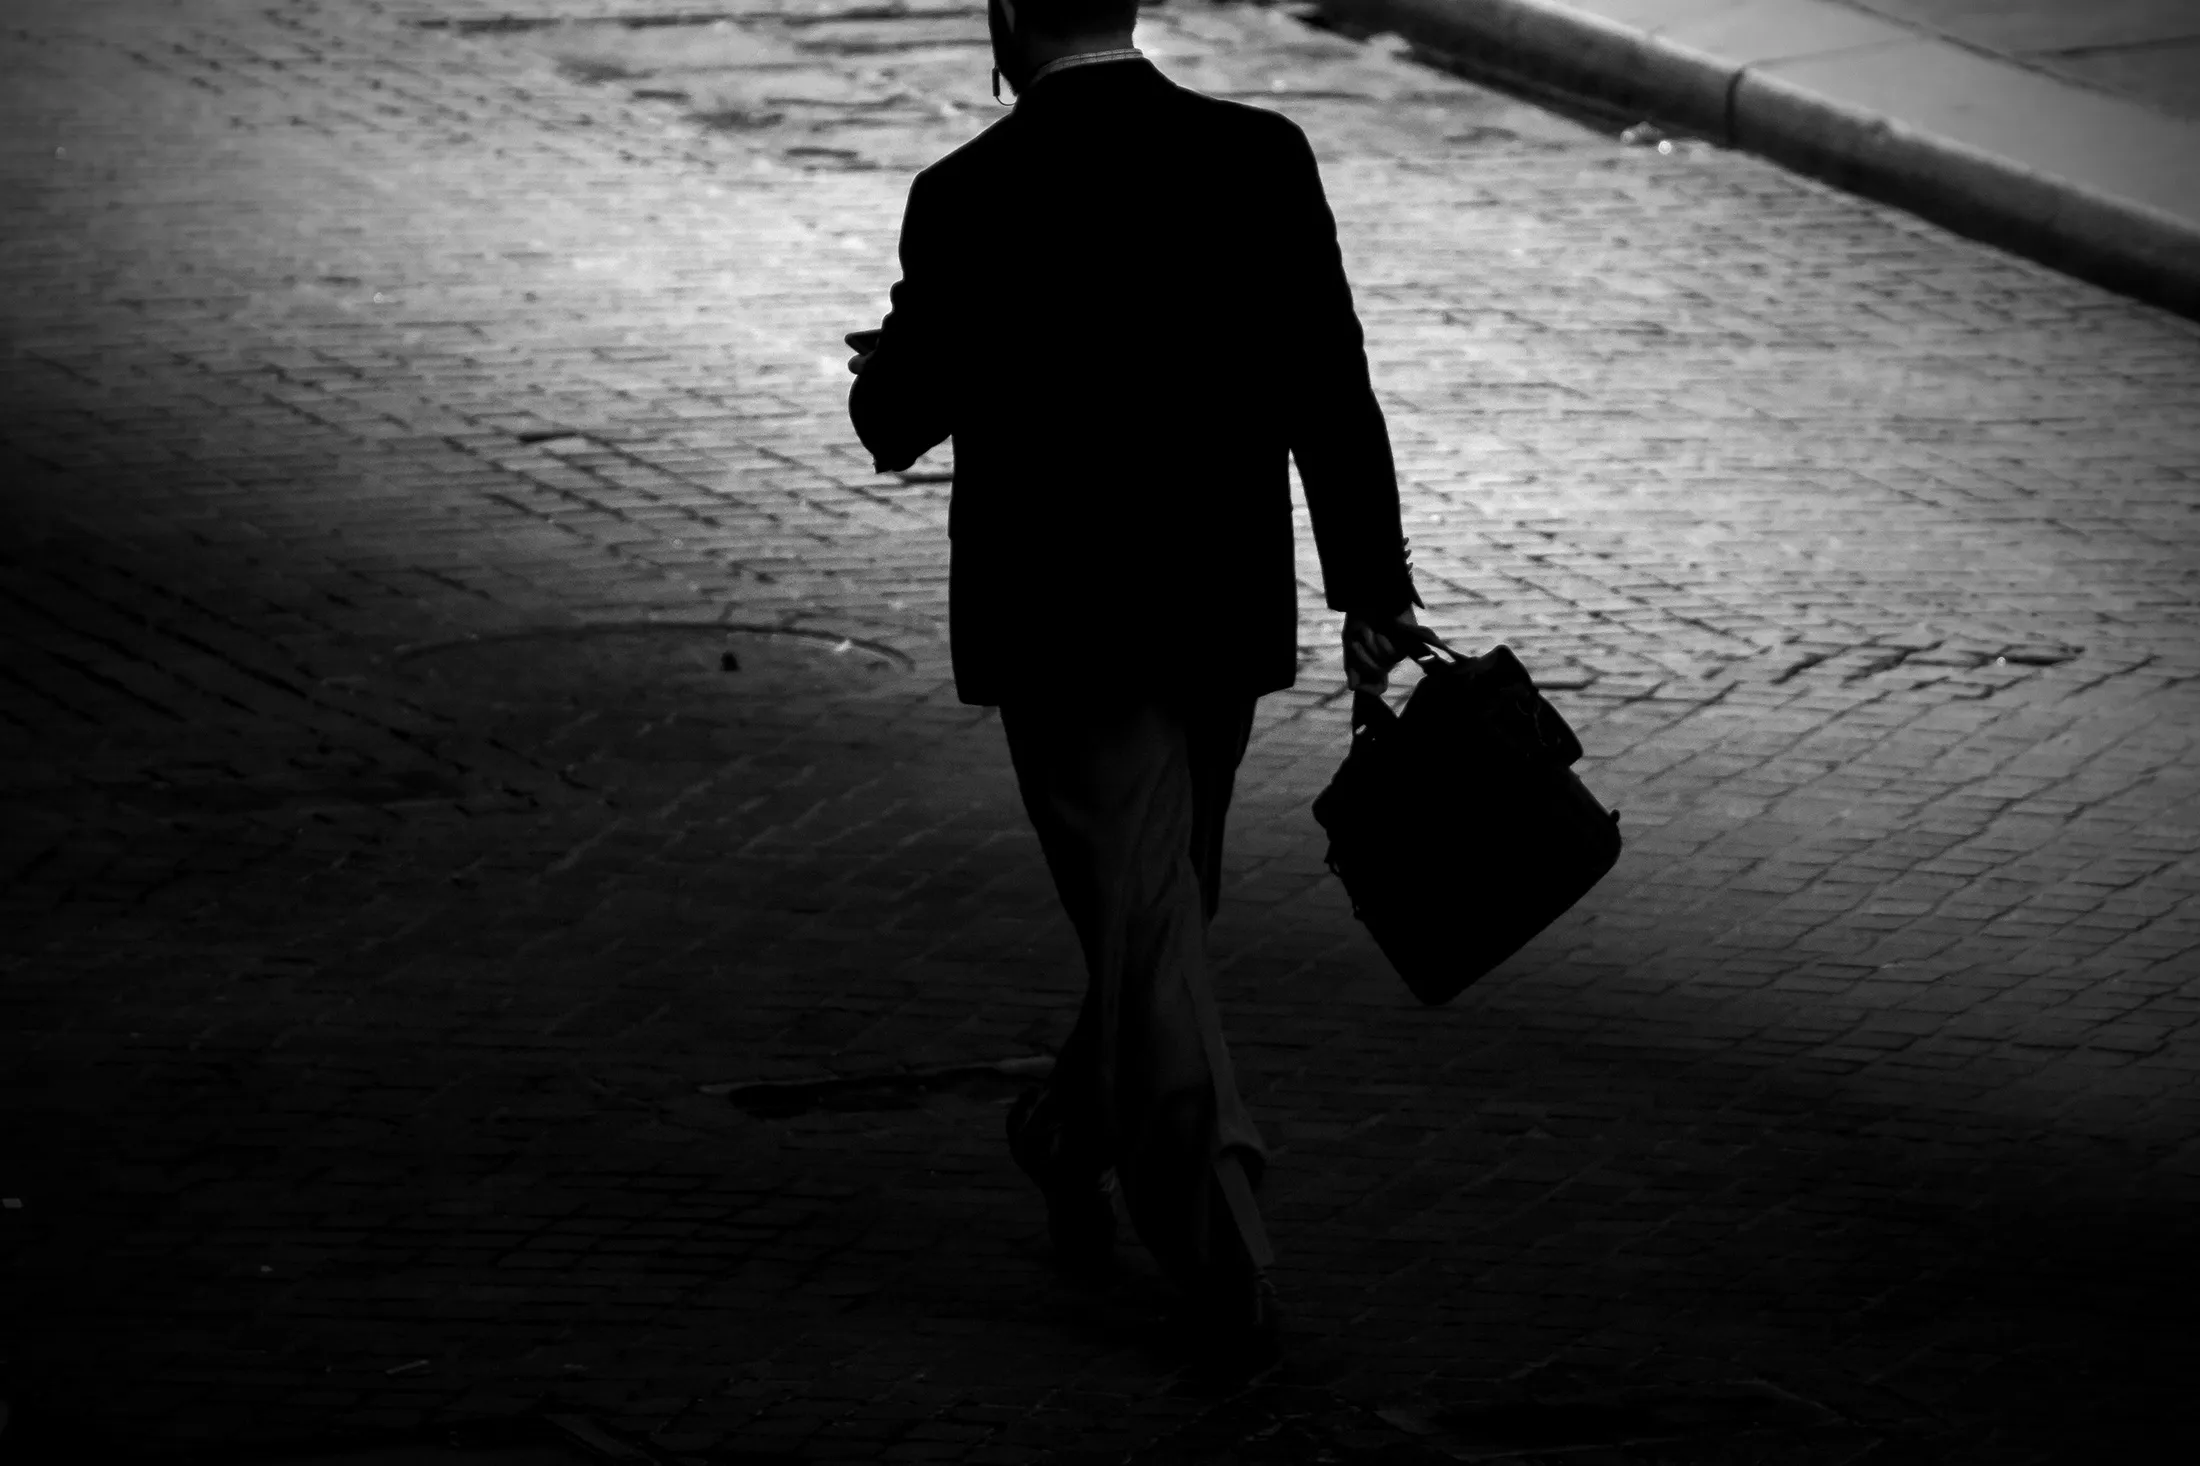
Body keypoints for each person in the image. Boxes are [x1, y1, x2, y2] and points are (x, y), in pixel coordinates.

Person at [846, 0, 1432, 1367]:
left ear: (1003, 28)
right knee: (1165, 899)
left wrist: (887, 362)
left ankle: (1138, 1170)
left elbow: (898, 420)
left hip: (1061, 625)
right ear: (1126, 6)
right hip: (1211, 608)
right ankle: (1163, 1179)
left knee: (1151, 905)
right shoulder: (1259, 157)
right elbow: (1328, 384)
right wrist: (1372, 585)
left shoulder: (969, 193)